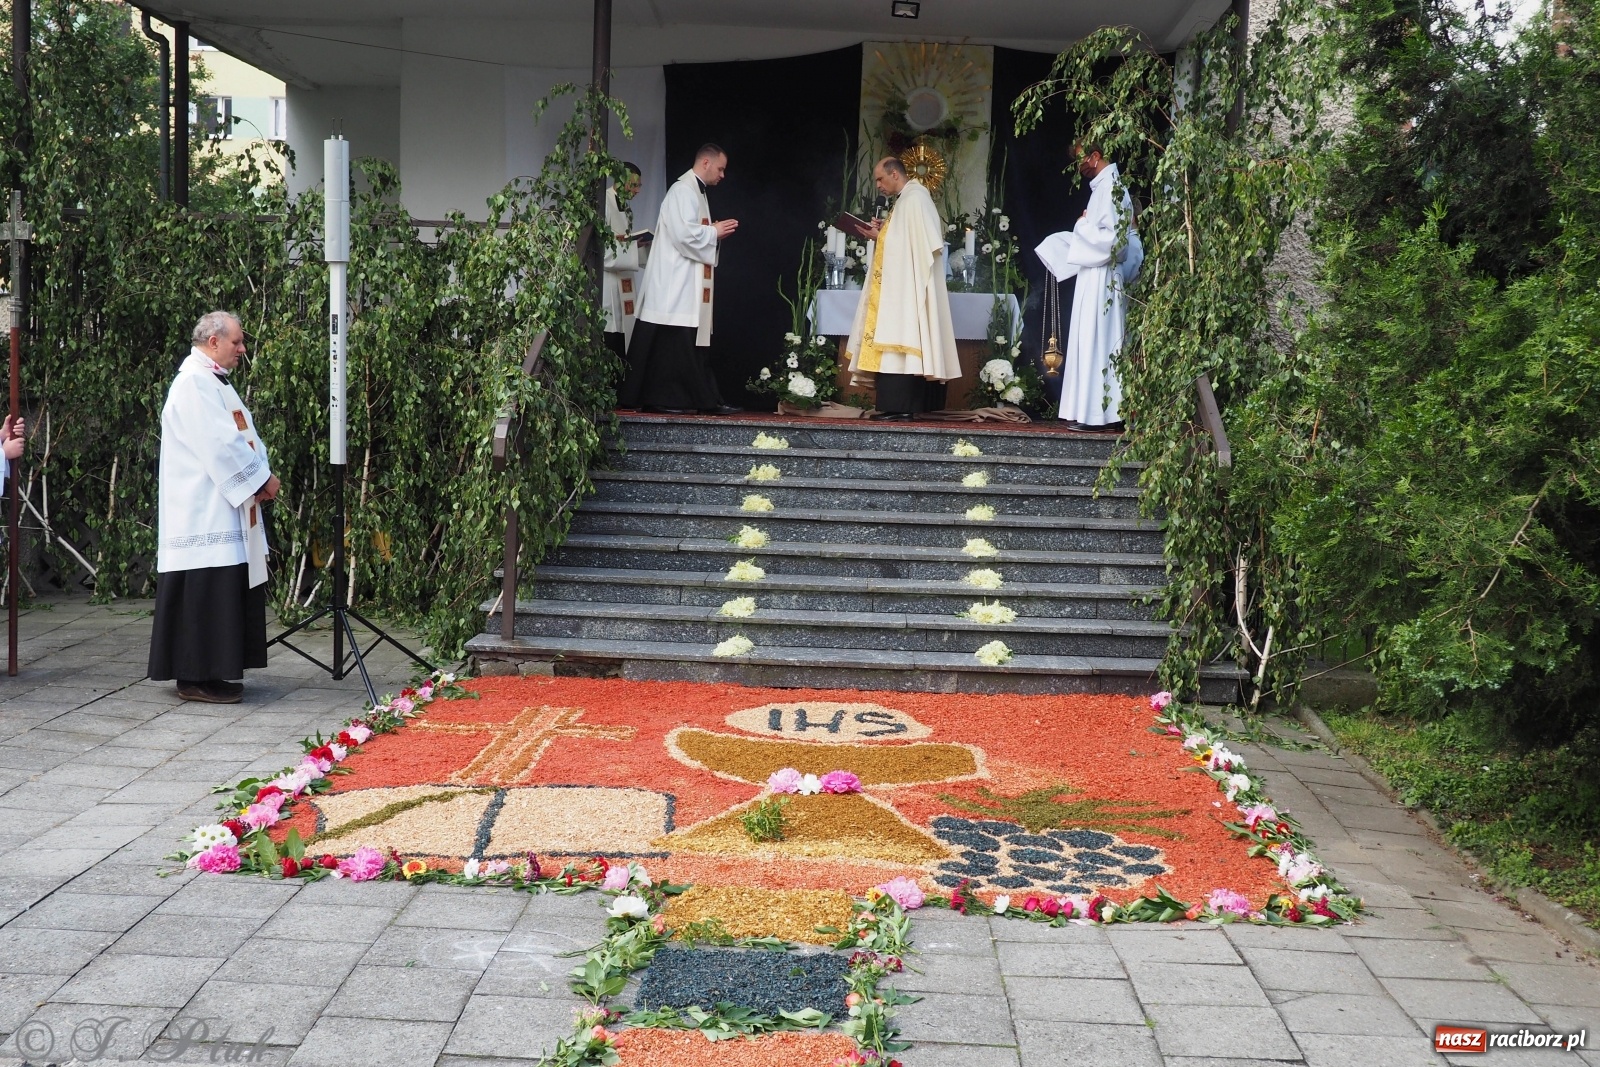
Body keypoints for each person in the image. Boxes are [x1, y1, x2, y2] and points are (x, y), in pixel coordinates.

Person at [147, 311, 280, 704]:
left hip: (222, 504)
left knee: (220, 590)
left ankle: (216, 672)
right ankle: (193, 676)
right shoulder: (194, 383)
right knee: (204, 592)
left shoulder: (212, 381)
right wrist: (261, 480)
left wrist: (261, 474)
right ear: (214, 341)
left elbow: (243, 436)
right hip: (202, 511)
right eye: (237, 342)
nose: (242, 349)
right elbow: (222, 443)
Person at [620, 144, 741, 415]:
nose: (723, 175)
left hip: (683, 281)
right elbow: (683, 234)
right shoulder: (682, 191)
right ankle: (676, 400)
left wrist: (711, 232)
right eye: (720, 168)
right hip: (673, 283)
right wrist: (713, 232)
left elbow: (690, 232)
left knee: (682, 346)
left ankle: (698, 399)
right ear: (706, 163)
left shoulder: (695, 192)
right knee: (674, 344)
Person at [1034, 142, 1140, 430]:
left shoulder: (1111, 188)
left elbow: (1115, 244)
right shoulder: (1103, 188)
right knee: (1091, 342)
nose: (1077, 166)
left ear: (1095, 156)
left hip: (1103, 280)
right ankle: (1093, 413)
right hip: (1093, 277)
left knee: (1099, 343)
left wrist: (1081, 226)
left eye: (1080, 159)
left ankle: (1102, 415)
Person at [844, 156, 960, 420]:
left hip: (909, 289)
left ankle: (902, 406)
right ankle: (895, 406)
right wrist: (886, 229)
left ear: (895, 174)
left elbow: (922, 246)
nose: (878, 186)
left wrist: (881, 235)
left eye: (880, 179)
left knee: (902, 339)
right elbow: (907, 237)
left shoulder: (915, 198)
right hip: (901, 285)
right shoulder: (907, 201)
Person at [603, 162, 645, 361]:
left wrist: (638, 245)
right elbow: (602, 250)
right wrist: (630, 248)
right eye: (633, 185)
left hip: (624, 283)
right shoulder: (603, 201)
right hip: (609, 284)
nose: (637, 191)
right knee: (611, 341)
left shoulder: (625, 207)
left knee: (625, 342)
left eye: (639, 186)